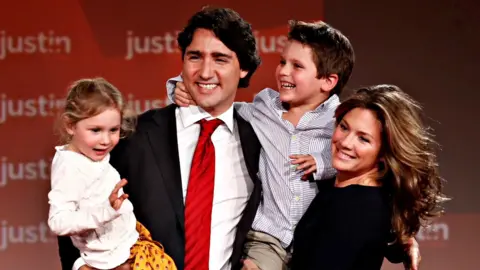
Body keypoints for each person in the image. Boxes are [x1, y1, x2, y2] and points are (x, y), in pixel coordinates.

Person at [169, 20, 420, 270]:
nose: (283, 72)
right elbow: (220, 106)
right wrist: (181, 90)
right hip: (269, 237)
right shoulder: (264, 108)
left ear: (328, 81)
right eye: (282, 62)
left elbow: (364, 177)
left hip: (312, 238)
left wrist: (322, 163)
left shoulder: (339, 119)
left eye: (297, 66)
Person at [55, 7, 263, 270]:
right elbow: (76, 205)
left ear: (243, 68)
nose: (205, 72)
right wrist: (81, 267)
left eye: (220, 59)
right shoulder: (133, 136)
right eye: (195, 57)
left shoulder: (260, 142)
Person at [290, 84, 449, 269]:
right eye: (344, 127)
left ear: (384, 152)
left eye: (363, 139)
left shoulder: (359, 208)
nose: (345, 143)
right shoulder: (344, 191)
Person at [48, 78, 177, 270]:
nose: (106, 140)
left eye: (114, 130)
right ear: (70, 125)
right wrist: (106, 211)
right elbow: (58, 222)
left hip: (131, 247)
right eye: (96, 130)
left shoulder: (93, 155)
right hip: (109, 262)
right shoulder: (69, 166)